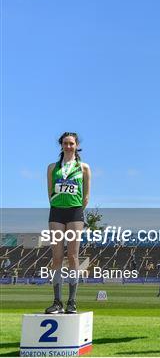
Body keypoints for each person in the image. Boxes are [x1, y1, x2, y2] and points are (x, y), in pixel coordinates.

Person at [46, 132, 91, 314]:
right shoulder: (52, 167)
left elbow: (86, 195)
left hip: (75, 213)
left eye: (71, 143)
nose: (68, 146)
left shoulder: (84, 168)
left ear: (76, 145)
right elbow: (50, 192)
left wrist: (77, 209)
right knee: (56, 257)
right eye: (65, 143)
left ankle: (72, 301)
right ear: (61, 145)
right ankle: (57, 302)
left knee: (73, 256)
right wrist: (59, 203)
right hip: (56, 212)